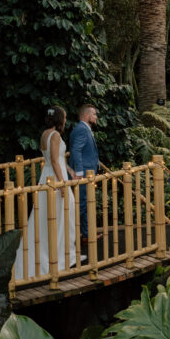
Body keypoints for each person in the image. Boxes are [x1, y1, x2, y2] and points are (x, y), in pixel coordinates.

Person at [12, 107, 77, 280]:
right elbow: (55, 160)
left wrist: (68, 169)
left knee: (47, 217)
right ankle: (57, 256)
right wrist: (62, 183)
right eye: (64, 117)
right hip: (54, 178)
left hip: (46, 175)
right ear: (60, 119)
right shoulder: (55, 136)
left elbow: (53, 159)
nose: (66, 120)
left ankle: (52, 253)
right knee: (61, 214)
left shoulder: (44, 134)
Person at [67, 103, 100, 239]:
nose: (96, 117)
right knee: (80, 205)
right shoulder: (82, 129)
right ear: (86, 116)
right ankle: (70, 237)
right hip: (83, 174)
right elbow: (75, 150)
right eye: (94, 114)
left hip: (88, 172)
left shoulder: (83, 128)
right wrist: (79, 172)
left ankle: (86, 235)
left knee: (85, 204)